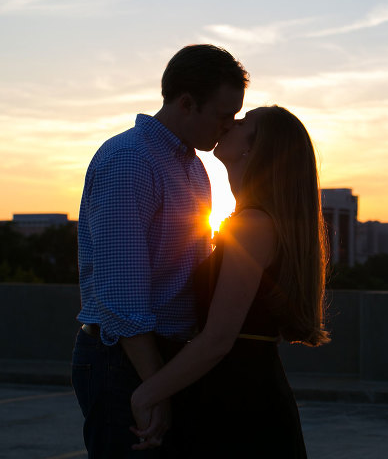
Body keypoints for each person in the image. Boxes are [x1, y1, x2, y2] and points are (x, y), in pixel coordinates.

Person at [71, 44, 249, 457]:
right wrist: (155, 388)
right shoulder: (131, 160)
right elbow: (121, 298)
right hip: (123, 360)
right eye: (224, 115)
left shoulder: (190, 164)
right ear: (187, 103)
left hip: (159, 357)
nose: (229, 126)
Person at [129, 106, 330, 458]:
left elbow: (218, 338)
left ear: (252, 149)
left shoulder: (251, 225)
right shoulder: (256, 220)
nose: (229, 122)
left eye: (243, 121)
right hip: (246, 392)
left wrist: (146, 394)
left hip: (238, 401)